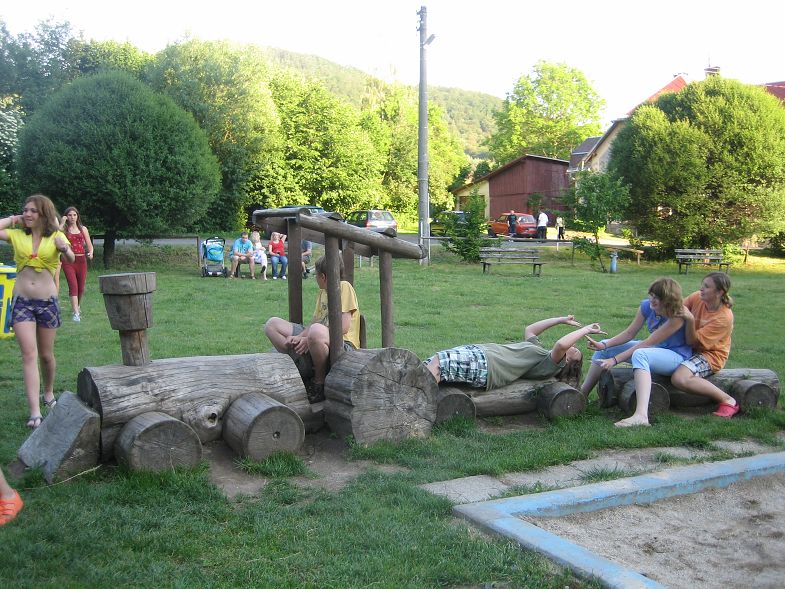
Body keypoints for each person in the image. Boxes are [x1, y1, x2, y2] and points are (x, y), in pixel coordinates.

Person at [0, 194, 75, 428]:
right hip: (22, 302)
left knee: (46, 355)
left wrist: (64, 248)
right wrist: (14, 218)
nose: (28, 214)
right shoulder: (16, 235)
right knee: (28, 354)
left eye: (33, 210)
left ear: (44, 213)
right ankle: (34, 412)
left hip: (47, 303)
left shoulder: (56, 237)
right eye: (26, 210)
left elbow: (71, 258)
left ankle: (48, 392)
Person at [580, 277, 692, 427]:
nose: (652, 300)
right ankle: (581, 396)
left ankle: (641, 416)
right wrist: (603, 345)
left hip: (676, 357)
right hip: (655, 349)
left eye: (657, 297)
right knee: (607, 348)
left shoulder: (677, 316)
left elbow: (647, 343)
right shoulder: (646, 306)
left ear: (668, 300)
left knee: (640, 354)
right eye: (651, 295)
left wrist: (614, 360)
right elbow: (629, 333)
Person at [264, 255, 360, 402]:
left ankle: (318, 382)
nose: (315, 279)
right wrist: (301, 337)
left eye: (316, 275)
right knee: (272, 325)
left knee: (315, 331)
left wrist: (310, 337)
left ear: (323, 277)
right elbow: (315, 321)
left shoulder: (344, 287)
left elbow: (343, 327)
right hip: (318, 337)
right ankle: (300, 366)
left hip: (342, 344)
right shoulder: (322, 293)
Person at [424, 315, 604, 391]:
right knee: (428, 364)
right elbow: (530, 330)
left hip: (487, 366)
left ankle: (418, 409)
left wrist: (586, 329)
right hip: (481, 354)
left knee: (439, 365)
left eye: (575, 350)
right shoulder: (539, 352)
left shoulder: (550, 365)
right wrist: (560, 320)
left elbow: (561, 344)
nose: (574, 345)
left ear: (566, 362)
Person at [671, 272, 738, 418]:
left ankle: (728, 400)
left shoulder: (723, 317)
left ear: (719, 292)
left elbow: (692, 341)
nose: (701, 289)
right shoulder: (697, 297)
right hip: (689, 347)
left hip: (711, 355)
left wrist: (689, 319)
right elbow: (677, 310)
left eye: (707, 286)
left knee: (679, 378)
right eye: (703, 285)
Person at [59, 206, 94, 322]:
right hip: (68, 260)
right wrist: (62, 222)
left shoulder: (83, 229)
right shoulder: (64, 229)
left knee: (81, 287)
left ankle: (77, 306)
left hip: (81, 260)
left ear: (78, 216)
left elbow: (89, 245)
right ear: (66, 217)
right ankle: (76, 313)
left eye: (74, 215)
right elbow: (55, 235)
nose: (72, 217)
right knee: (73, 286)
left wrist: (91, 253)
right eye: (69, 215)